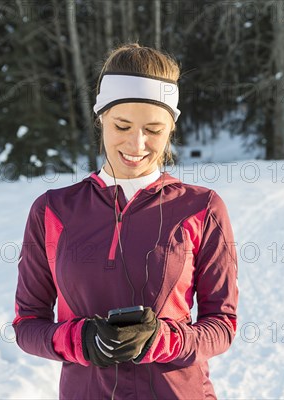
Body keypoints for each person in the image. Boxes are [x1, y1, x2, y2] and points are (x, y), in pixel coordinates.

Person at [13, 43, 239, 399]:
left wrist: (163, 340)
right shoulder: (53, 210)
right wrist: (81, 340)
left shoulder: (202, 207)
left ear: (171, 129)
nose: (137, 143)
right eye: (122, 125)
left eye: (154, 129)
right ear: (100, 115)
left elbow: (222, 325)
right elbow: (27, 324)